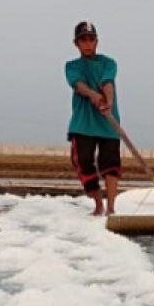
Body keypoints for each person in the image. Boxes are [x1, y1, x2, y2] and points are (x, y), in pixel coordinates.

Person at [65, 21, 121, 216]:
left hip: (108, 123)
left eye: (91, 39)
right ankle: (98, 205)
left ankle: (111, 209)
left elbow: (108, 82)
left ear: (97, 41)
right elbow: (78, 84)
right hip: (83, 124)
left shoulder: (109, 63)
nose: (88, 44)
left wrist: (109, 100)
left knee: (110, 164)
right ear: (76, 43)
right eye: (83, 40)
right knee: (84, 162)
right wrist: (92, 95)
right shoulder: (72, 66)